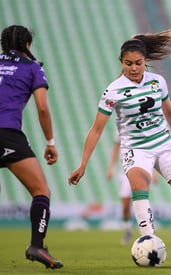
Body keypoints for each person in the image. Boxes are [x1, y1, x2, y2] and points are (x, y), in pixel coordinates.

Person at [67, 29, 171, 265]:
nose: (134, 68)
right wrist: (83, 164)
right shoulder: (113, 91)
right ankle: (148, 241)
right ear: (121, 62)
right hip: (136, 150)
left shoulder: (157, 81)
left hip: (164, 145)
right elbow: (96, 130)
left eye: (139, 63)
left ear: (145, 62)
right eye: (128, 64)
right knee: (139, 187)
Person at [0, 25, 63, 269]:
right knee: (41, 190)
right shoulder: (32, 67)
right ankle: (36, 245)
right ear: (27, 45)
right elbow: (43, 108)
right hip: (7, 134)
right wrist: (50, 143)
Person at [106, 135, 159, 245]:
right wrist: (111, 168)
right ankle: (128, 230)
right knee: (125, 207)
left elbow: (149, 149)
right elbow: (116, 148)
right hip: (125, 171)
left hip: (142, 169)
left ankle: (148, 232)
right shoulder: (121, 125)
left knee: (143, 202)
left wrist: (155, 172)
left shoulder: (143, 125)